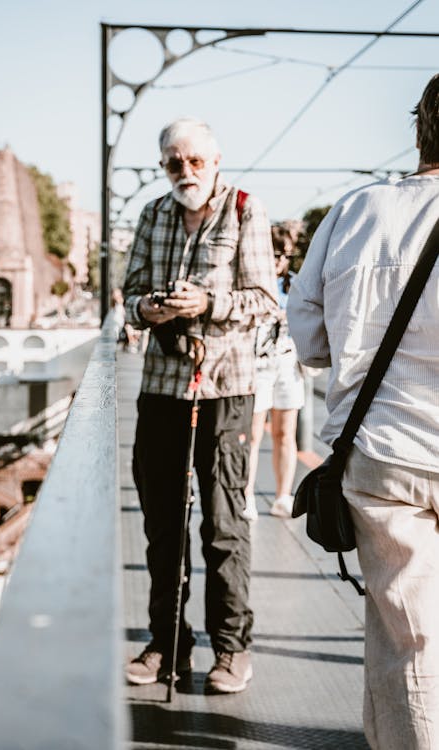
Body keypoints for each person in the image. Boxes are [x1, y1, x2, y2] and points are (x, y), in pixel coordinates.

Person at [287, 74, 439, 750]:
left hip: (381, 454)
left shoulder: (354, 212)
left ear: (419, 127)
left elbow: (312, 342)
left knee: (404, 635)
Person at [123, 117, 277, 694]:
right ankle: (167, 645)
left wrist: (209, 302)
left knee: (222, 524)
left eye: (195, 161)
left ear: (215, 160)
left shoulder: (244, 209)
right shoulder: (152, 214)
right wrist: (152, 309)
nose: (184, 172)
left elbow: (264, 300)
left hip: (224, 389)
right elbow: (130, 290)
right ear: (163, 165)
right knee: (163, 525)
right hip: (161, 387)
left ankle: (232, 649)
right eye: (172, 163)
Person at [243, 229, 305, 522]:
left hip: (288, 363)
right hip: (257, 364)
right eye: (276, 253)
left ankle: (283, 495)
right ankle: (247, 496)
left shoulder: (295, 284)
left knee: (285, 432)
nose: (281, 261)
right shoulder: (253, 281)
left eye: (286, 255)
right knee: (253, 433)